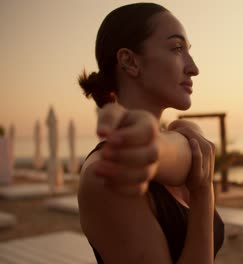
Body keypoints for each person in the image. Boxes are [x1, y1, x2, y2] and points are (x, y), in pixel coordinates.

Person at [77, 3, 224, 264]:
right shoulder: (103, 179)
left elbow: (176, 146)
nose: (193, 68)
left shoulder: (184, 134)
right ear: (130, 62)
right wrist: (202, 194)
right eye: (177, 48)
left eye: (188, 51)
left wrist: (152, 145)